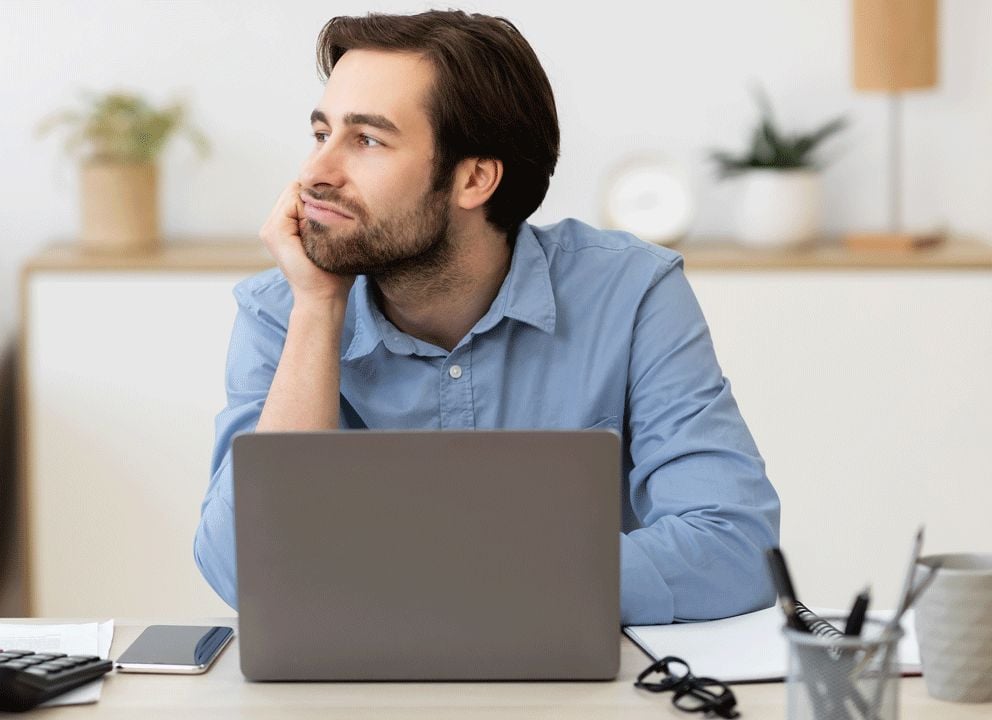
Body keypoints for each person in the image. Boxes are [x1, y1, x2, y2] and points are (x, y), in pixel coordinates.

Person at [193, 9, 779, 625]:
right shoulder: (282, 308)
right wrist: (318, 307)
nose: (314, 173)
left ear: (474, 178)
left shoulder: (631, 294)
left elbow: (734, 548)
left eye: (366, 140)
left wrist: (431, 582)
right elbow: (244, 569)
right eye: (321, 134)